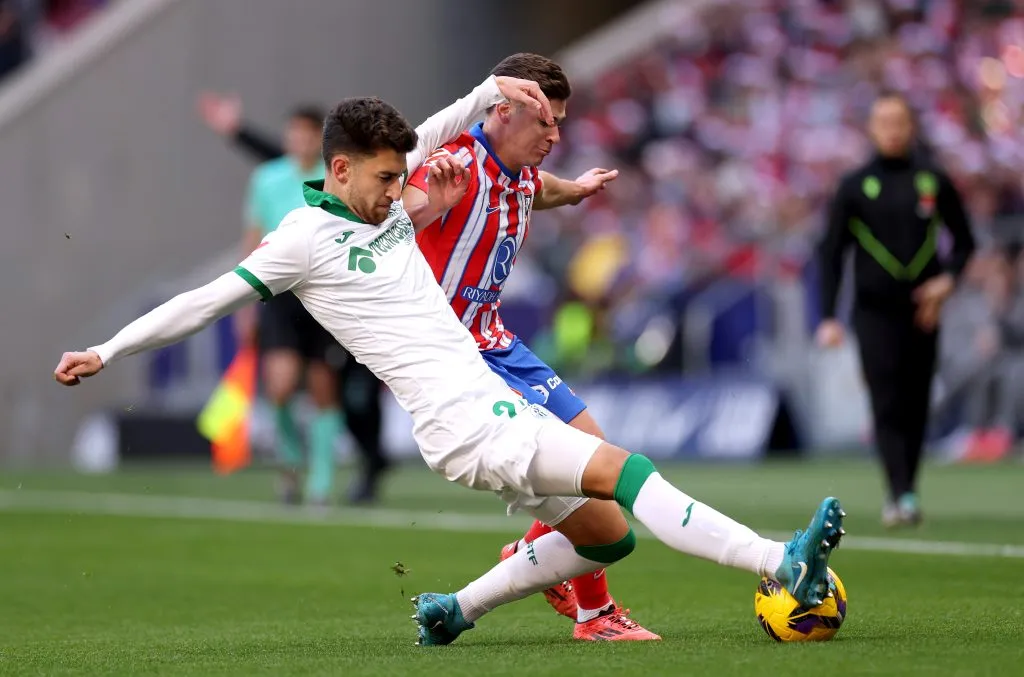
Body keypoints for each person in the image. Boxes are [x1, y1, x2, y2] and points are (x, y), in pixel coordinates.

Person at [54, 82, 845, 648]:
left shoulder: (390, 203)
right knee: (629, 473)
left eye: (402, 175)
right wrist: (108, 349)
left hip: (481, 408)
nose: (400, 190)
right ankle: (782, 560)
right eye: (383, 177)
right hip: (466, 419)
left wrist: (484, 94)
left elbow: (434, 132)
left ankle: (455, 610)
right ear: (338, 171)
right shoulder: (301, 239)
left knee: (609, 537)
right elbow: (203, 301)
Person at [403, 53, 653, 642]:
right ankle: (596, 615)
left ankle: (535, 551)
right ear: (503, 109)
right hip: (456, 360)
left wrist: (575, 192)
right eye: (545, 122)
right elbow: (390, 220)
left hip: (498, 341)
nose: (555, 135)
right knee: (593, 489)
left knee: (597, 456)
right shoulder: (453, 163)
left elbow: (532, 188)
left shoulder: (515, 167)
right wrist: (424, 210)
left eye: (559, 122)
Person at [198, 96, 390, 505]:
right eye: (293, 134)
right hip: (281, 293)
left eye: (307, 135)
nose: (299, 141)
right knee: (281, 386)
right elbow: (253, 239)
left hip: (327, 295)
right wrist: (244, 302)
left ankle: (320, 480)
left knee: (324, 387)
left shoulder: (335, 178)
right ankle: (289, 462)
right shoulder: (268, 179)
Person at [816, 91, 974, 528]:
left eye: (900, 121)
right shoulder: (854, 186)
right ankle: (899, 492)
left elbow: (965, 242)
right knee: (886, 398)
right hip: (873, 312)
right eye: (884, 121)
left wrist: (947, 282)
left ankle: (908, 487)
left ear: (911, 126)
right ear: (872, 127)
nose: (892, 130)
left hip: (923, 312)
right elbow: (830, 254)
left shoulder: (933, 180)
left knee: (917, 400)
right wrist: (829, 316)